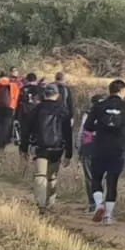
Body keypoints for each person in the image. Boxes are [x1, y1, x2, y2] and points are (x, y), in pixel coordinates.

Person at [82, 79, 125, 224]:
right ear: (122, 91)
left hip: (100, 147)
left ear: (110, 90)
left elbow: (87, 126)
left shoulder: (99, 106)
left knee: (96, 179)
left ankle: (99, 204)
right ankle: (108, 216)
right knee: (112, 182)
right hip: (118, 149)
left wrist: (99, 128)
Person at [29, 82, 74, 211]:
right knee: (52, 176)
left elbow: (27, 129)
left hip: (40, 147)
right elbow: (67, 133)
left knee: (40, 175)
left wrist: (24, 147)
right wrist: (69, 153)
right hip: (57, 147)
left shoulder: (37, 109)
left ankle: (40, 204)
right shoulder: (63, 110)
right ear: (57, 95)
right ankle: (50, 203)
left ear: (44, 94)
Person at [0, 70, 20, 151]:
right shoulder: (14, 86)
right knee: (5, 127)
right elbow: (16, 98)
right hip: (9, 109)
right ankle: (2, 146)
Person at [14, 72, 42, 159]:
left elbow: (18, 103)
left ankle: (23, 156)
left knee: (24, 137)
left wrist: (16, 117)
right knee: (37, 137)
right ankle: (36, 156)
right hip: (37, 117)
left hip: (24, 115)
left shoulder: (22, 89)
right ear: (35, 79)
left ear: (27, 80)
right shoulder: (40, 89)